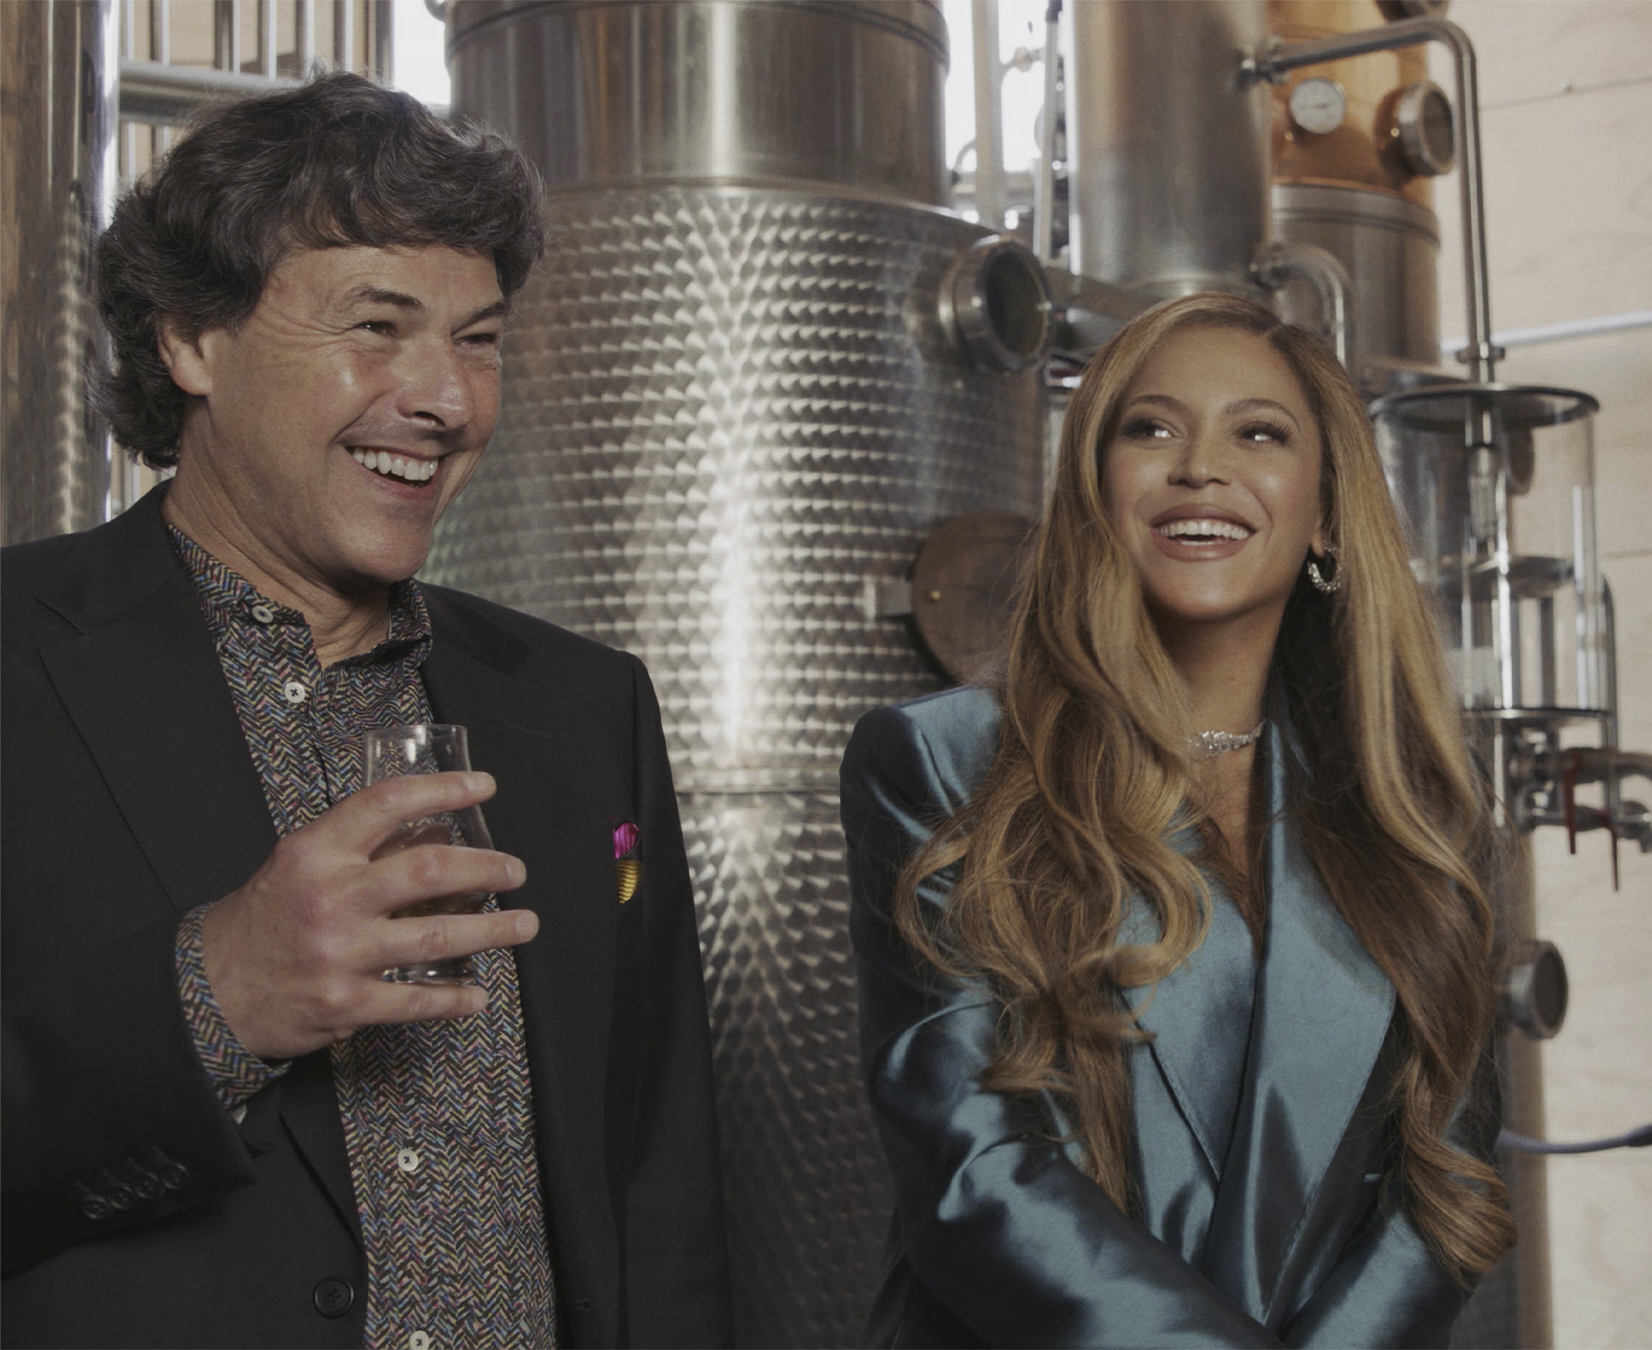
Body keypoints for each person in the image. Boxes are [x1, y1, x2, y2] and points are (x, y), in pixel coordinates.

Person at [3, 72, 730, 1348]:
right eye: (378, 325)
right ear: (192, 341)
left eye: (477, 339)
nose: (446, 400)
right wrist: (209, 999)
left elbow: (656, 1182)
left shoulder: (583, 704)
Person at [840, 292, 1514, 1348]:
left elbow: (1444, 1180)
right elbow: (976, 1173)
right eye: (1150, 429)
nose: (1200, 467)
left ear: (1327, 514)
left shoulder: (1419, 801)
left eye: (1259, 434)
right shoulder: (943, 761)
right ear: (1092, 493)